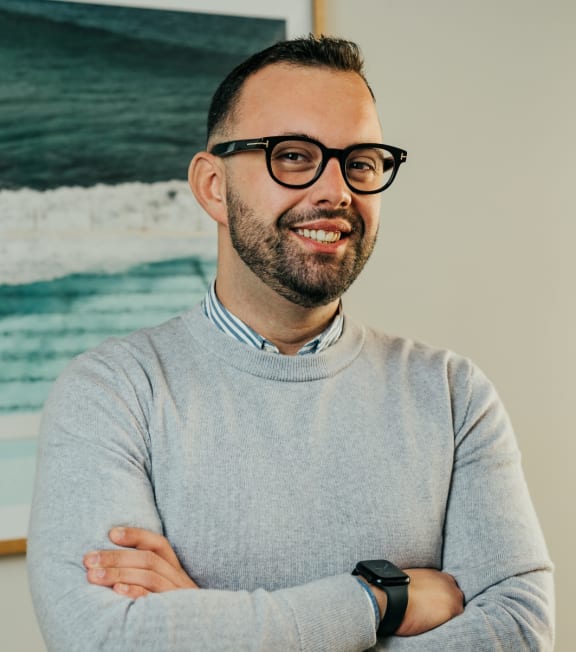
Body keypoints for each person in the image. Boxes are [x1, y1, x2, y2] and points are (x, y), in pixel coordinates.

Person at [27, 36, 554, 651]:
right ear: (213, 187)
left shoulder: (453, 394)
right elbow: (107, 641)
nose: (336, 191)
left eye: (360, 161)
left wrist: (204, 620)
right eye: (294, 156)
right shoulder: (112, 393)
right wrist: (380, 600)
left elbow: (520, 629)